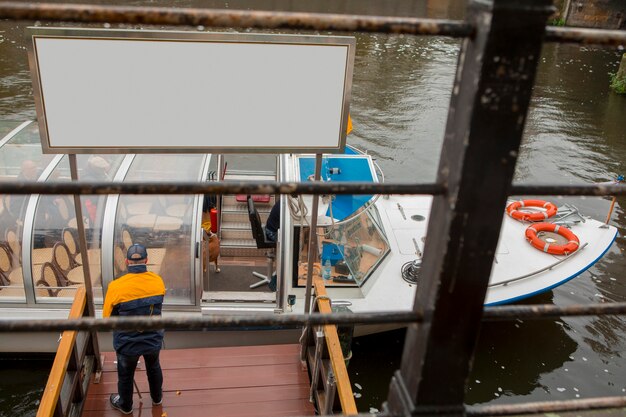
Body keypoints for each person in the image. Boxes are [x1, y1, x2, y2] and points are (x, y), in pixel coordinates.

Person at [103, 244, 166, 414]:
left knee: (126, 375)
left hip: (127, 343)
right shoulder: (157, 281)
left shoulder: (115, 286)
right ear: (146, 260)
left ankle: (125, 405)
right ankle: (157, 397)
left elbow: (107, 319)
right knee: (154, 367)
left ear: (126, 261)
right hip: (153, 339)